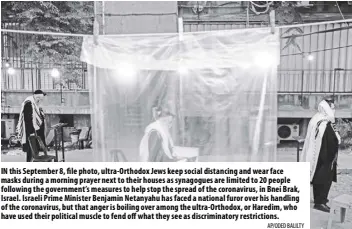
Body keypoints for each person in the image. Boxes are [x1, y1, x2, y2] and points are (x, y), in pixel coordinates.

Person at [301, 97, 341, 213]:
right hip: (324, 157)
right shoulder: (323, 122)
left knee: (318, 177)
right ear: (327, 108)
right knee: (324, 179)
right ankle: (320, 202)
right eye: (332, 108)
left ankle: (320, 198)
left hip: (318, 156)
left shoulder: (317, 118)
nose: (333, 110)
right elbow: (329, 140)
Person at [16, 90, 47, 162]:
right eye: (40, 99)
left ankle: (33, 162)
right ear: (37, 97)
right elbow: (28, 119)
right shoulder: (29, 103)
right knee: (31, 149)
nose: (40, 100)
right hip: (30, 131)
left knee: (34, 149)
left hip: (34, 130)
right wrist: (31, 132)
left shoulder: (34, 103)